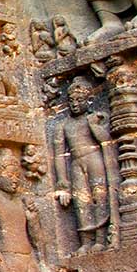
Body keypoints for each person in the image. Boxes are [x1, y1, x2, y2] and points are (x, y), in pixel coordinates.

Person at [51, 75, 115, 252]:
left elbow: (105, 141)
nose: (75, 103)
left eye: (80, 100)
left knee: (99, 196)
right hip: (76, 163)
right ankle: (86, 241)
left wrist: (95, 125)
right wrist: (62, 183)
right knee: (81, 201)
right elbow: (59, 156)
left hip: (94, 159)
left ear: (90, 100)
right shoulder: (62, 126)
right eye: (71, 100)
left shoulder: (94, 119)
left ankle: (101, 239)